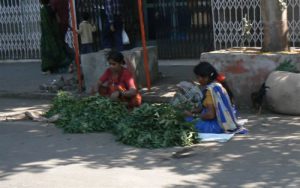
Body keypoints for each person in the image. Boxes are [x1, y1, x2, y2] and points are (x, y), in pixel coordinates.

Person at [185, 62, 247, 134]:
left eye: (198, 77)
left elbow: (211, 115)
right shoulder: (218, 85)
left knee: (186, 121)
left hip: (215, 126)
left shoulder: (210, 91)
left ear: (206, 77)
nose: (198, 80)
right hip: (227, 122)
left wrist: (194, 116)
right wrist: (194, 111)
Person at [40, 0, 69, 73]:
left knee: (51, 50)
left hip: (49, 33)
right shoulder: (51, 8)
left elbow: (45, 23)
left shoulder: (44, 10)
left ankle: (52, 67)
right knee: (58, 47)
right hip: (56, 30)